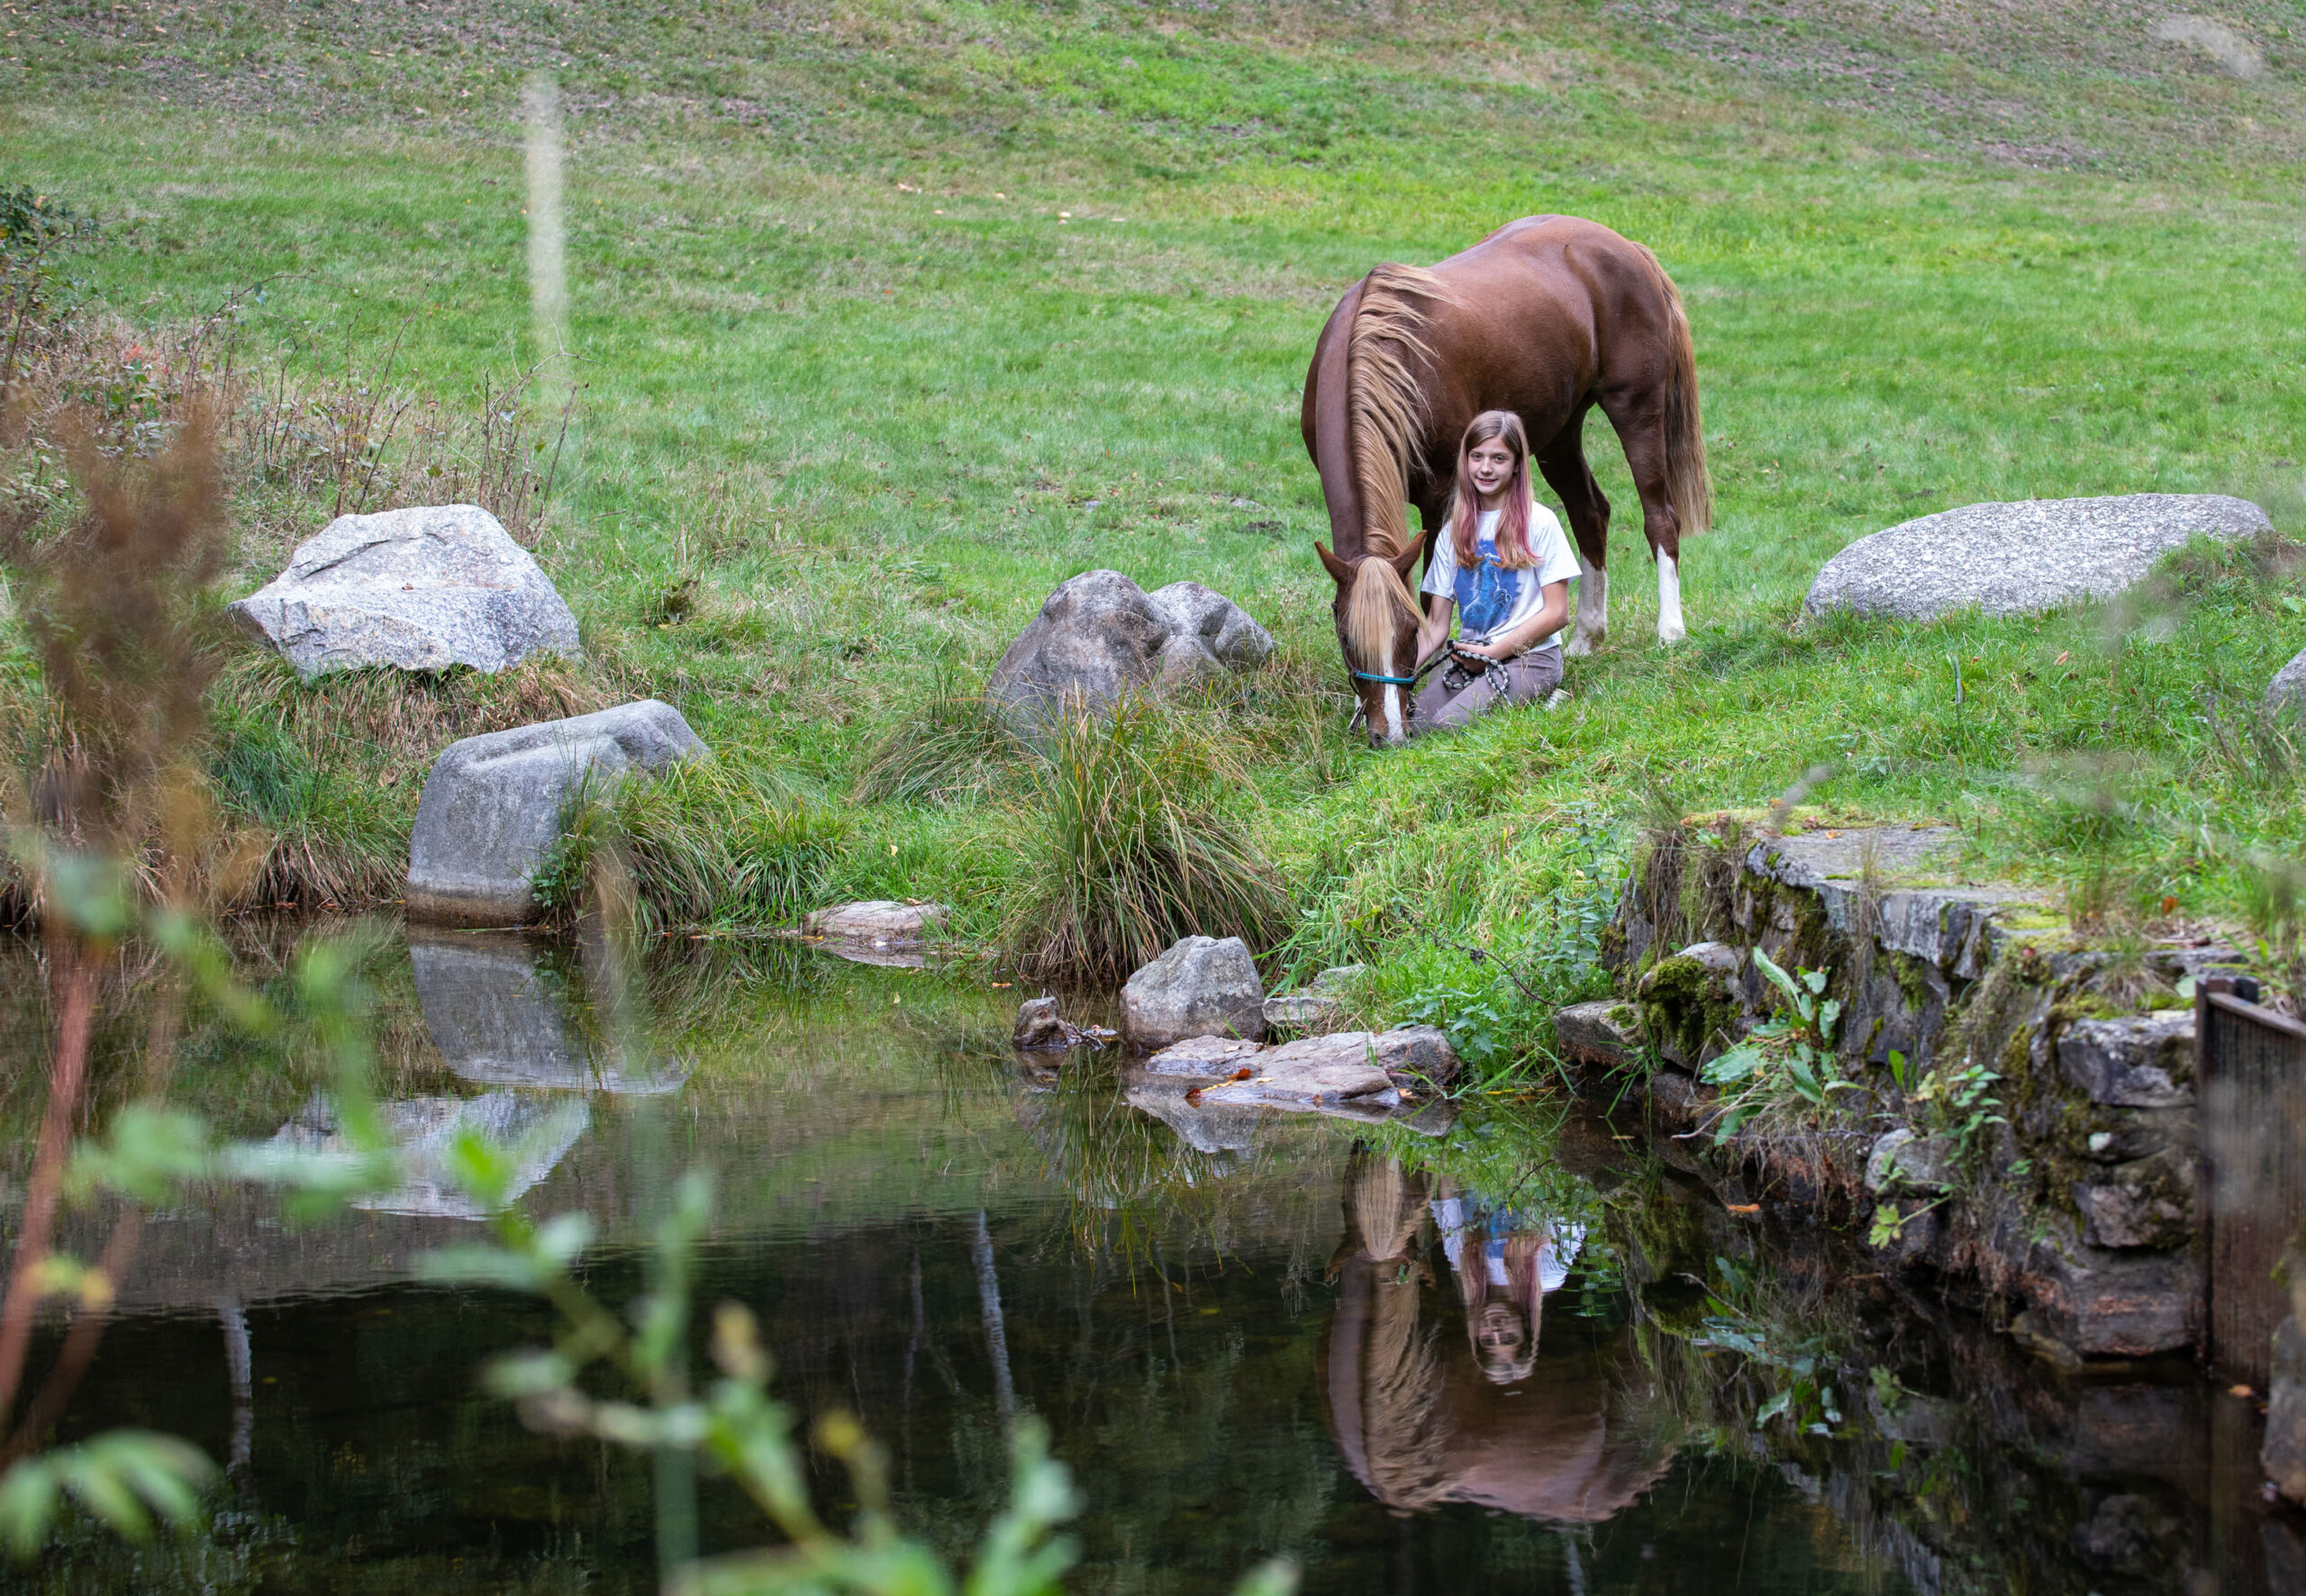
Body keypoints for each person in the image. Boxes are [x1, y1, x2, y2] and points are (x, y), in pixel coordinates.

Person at [1412, 410, 1580, 736]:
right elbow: (1435, 626)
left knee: (1449, 727)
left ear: (1518, 463)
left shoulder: (1540, 523)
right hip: (1472, 662)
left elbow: (1558, 613)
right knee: (1414, 725)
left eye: (1499, 458)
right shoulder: (1451, 532)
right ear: (1466, 461)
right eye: (1477, 456)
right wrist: (1394, 678)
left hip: (1531, 659)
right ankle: (1518, 701)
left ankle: (1545, 701)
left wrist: (1492, 654)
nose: (1486, 468)